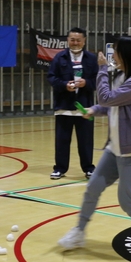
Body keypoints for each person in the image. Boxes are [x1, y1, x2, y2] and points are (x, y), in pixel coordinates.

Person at [58, 37, 131, 256]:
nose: (112, 55)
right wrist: (94, 110)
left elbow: (107, 98)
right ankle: (79, 231)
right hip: (115, 147)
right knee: (93, 188)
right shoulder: (123, 77)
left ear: (127, 54)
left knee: (127, 200)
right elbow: (111, 105)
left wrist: (101, 70)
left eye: (116, 51)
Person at [46, 27, 98, 180]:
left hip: (85, 108)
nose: (75, 43)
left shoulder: (91, 58)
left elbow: (98, 80)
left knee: (86, 141)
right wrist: (64, 85)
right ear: (68, 40)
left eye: (78, 40)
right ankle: (60, 169)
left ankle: (89, 169)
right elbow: (51, 77)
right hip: (64, 107)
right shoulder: (59, 57)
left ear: (84, 41)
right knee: (62, 141)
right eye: (72, 40)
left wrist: (86, 83)